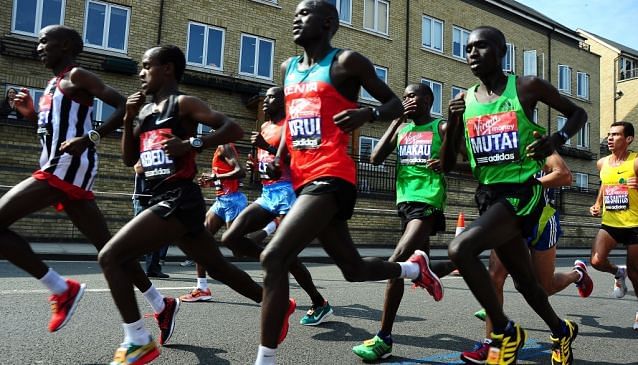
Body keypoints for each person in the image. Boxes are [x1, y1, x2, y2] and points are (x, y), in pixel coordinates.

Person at [254, 2, 442, 364]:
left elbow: (392, 103)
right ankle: (414, 269)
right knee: (353, 270)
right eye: (294, 12)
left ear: (327, 23)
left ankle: (265, 358)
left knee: (274, 255)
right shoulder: (288, 68)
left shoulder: (346, 62)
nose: (296, 17)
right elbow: (294, 119)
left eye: (305, 12)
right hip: (304, 178)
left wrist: (367, 113)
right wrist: (280, 155)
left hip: (332, 176)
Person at [1, 25, 172, 340]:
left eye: (44, 40)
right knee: (110, 249)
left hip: (67, 167)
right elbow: (55, 130)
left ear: (64, 45)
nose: (38, 46)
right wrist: (28, 115)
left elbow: (124, 105)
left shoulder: (76, 75)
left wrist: (90, 137)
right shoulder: (52, 84)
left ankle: (61, 288)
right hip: (60, 166)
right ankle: (161, 304)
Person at [97, 45, 264, 364]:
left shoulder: (183, 103)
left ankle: (137, 339)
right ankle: (276, 303)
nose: (141, 72)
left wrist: (191, 143)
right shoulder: (144, 112)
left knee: (111, 256)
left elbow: (233, 128)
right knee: (218, 267)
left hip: (179, 198)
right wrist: (129, 118)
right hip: (159, 197)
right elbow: (129, 159)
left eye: (147, 66)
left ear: (168, 69)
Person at [440, 26, 587, 365]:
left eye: (481, 47)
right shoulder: (466, 100)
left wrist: (557, 139)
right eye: (467, 48)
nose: (472, 54)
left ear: (501, 51)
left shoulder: (526, 87)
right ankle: (561, 331)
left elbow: (578, 113)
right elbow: (448, 164)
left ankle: (504, 333)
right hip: (489, 197)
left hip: (523, 193)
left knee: (461, 248)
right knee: (525, 283)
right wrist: (451, 121)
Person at [352, 83, 454, 361]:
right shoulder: (403, 129)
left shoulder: (440, 128)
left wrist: (443, 163)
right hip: (405, 203)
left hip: (428, 202)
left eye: (413, 96)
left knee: (396, 262)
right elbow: (375, 158)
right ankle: (463, 262)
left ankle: (383, 338)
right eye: (405, 96)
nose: (408, 99)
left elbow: (464, 161)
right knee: (422, 268)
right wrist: (396, 120)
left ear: (428, 99)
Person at [461, 152, 595, 363]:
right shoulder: (495, 145)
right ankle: (493, 344)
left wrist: (530, 184)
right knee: (494, 277)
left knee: (544, 287)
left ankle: (577, 274)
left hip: (541, 219)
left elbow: (564, 175)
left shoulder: (536, 145)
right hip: (510, 219)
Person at [219, 86, 332, 325]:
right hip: (267, 192)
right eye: (266, 97)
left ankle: (318, 302)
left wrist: (267, 147)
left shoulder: (291, 125)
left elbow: (301, 160)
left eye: (272, 97)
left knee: (289, 257)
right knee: (230, 238)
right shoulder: (265, 127)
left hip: (289, 194)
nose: (266, 101)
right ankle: (272, 257)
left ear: (283, 103)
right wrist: (256, 167)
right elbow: (269, 165)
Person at [179, 142, 248, 302]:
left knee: (238, 249)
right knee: (198, 240)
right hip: (221, 201)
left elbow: (240, 172)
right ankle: (202, 288)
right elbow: (227, 175)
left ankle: (274, 258)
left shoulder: (225, 147)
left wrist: (215, 176)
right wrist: (211, 182)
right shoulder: (220, 148)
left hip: (233, 201)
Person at [589, 121, 638, 331]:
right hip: (611, 222)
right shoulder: (602, 163)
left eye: (616, 135)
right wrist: (598, 202)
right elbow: (604, 183)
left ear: (628, 139)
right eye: (609, 134)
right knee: (597, 261)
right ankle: (618, 273)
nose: (610, 138)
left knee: (636, 273)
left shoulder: (636, 162)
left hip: (635, 223)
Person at [132, 162, 169, 278]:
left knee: (157, 234)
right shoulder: (147, 152)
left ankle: (153, 269)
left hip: (157, 198)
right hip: (143, 198)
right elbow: (138, 168)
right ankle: (124, 263)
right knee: (137, 233)